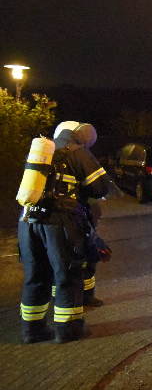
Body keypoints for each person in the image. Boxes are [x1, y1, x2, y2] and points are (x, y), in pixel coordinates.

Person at [18, 122, 109, 343]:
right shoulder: (78, 153)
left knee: (36, 276)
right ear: (82, 136)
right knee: (67, 275)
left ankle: (33, 331)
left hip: (28, 220)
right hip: (60, 222)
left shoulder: (41, 152)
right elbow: (101, 188)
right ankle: (68, 331)